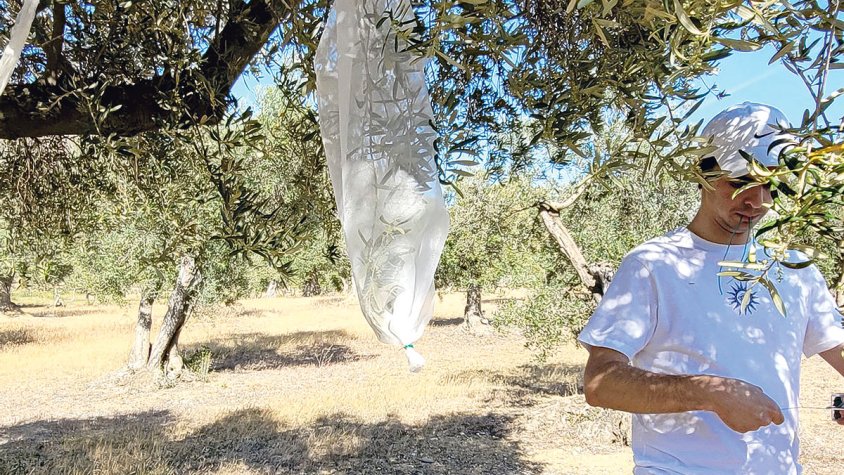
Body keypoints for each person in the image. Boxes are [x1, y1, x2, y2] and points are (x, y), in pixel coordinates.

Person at [578, 102, 844, 474]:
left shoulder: (792, 266)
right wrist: (709, 392)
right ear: (703, 173)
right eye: (741, 183)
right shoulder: (653, 265)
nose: (759, 201)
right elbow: (600, 383)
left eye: (771, 185)